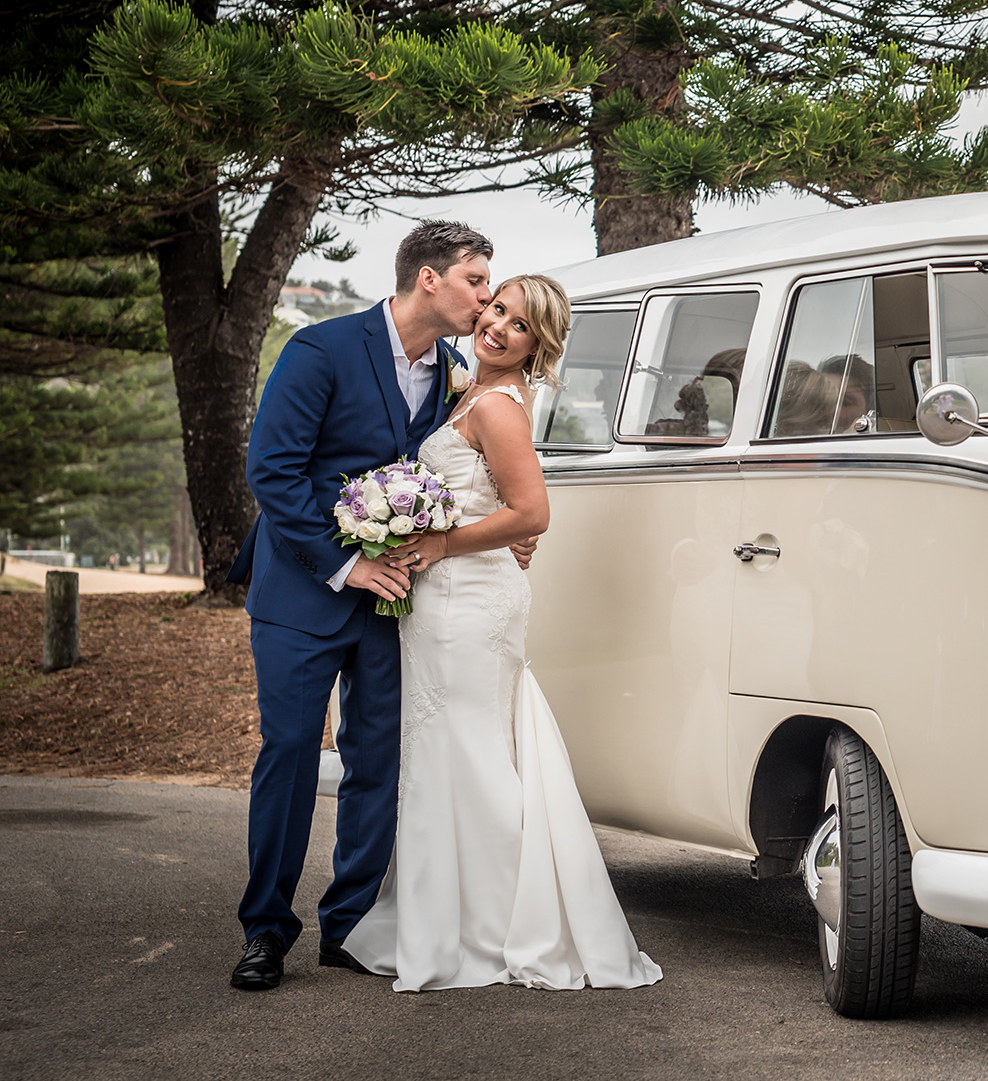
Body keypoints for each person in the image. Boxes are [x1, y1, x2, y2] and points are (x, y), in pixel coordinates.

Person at [339, 274, 662, 992]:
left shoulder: (498, 407)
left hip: (470, 603)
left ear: (534, 347)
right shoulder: (466, 388)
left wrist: (440, 544)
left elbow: (532, 512)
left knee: (472, 753)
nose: (499, 325)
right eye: (498, 308)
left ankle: (490, 927)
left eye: (519, 325)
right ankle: (447, 914)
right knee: (450, 750)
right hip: (444, 601)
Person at [226, 221, 493, 991]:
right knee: (289, 757)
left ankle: (349, 925)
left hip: (395, 602)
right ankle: (266, 930)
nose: (485, 296)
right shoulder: (321, 348)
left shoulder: (453, 371)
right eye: (476, 280)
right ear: (429, 279)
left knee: (379, 761)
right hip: (302, 593)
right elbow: (271, 470)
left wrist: (506, 531)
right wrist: (346, 564)